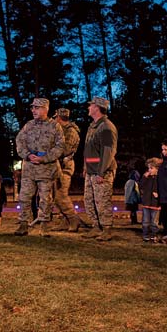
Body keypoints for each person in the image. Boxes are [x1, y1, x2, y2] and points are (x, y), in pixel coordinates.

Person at [14, 98, 64, 237]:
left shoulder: (55, 126)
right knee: (24, 197)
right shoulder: (28, 125)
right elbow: (19, 142)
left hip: (46, 170)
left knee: (45, 199)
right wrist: (28, 155)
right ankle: (23, 224)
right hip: (29, 169)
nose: (33, 110)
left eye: (36, 108)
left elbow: (60, 146)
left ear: (45, 109)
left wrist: (44, 158)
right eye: (32, 108)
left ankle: (44, 225)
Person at [82, 96, 118, 241]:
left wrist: (101, 172)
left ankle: (107, 229)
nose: (88, 108)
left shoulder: (106, 127)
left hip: (101, 172)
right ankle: (96, 226)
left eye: (91, 106)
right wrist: (86, 167)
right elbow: (89, 150)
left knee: (102, 201)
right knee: (89, 200)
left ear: (97, 108)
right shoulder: (93, 126)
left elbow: (108, 151)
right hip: (91, 171)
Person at [52, 108, 82, 232]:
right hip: (58, 166)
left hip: (65, 167)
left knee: (60, 195)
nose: (54, 120)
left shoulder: (71, 132)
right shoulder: (61, 130)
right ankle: (66, 221)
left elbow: (65, 150)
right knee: (56, 196)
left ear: (59, 118)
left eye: (55, 117)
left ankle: (73, 219)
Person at [140, 157, 162, 242]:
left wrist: (158, 195)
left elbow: (162, 188)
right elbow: (141, 186)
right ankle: (145, 234)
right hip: (146, 202)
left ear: (157, 169)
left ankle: (154, 235)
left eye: (151, 168)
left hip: (155, 204)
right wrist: (144, 178)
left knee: (154, 221)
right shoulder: (147, 177)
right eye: (148, 168)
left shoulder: (159, 178)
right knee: (145, 221)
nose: (149, 170)